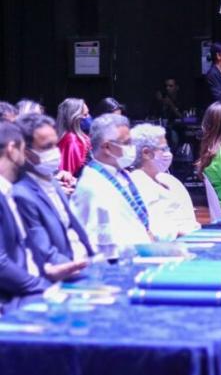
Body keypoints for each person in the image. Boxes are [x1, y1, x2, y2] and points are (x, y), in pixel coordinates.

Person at [0, 122, 83, 313]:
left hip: (33, 286)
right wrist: (41, 286)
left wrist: (47, 272)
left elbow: (22, 255)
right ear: (12, 149)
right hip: (14, 300)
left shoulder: (7, 191)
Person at [13, 114, 93, 275]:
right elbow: (45, 252)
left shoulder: (54, 180)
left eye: (55, 145)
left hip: (87, 262)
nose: (55, 152)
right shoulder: (22, 195)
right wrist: (81, 269)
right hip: (66, 274)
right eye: (46, 147)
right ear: (26, 153)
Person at [70, 114, 153, 250]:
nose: (132, 148)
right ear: (107, 147)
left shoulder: (121, 173)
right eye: (126, 143)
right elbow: (98, 241)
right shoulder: (92, 185)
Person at [130, 123, 199, 240]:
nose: (168, 153)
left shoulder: (168, 179)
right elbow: (152, 228)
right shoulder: (138, 183)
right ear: (146, 153)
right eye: (163, 149)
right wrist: (180, 233)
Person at [56, 98, 92, 176]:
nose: (88, 117)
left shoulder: (80, 137)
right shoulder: (72, 140)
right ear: (74, 117)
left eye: (88, 114)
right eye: (85, 115)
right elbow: (68, 173)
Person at [155, 78, 184, 149]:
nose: (167, 88)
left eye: (170, 86)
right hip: (162, 129)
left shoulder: (181, 100)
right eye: (166, 86)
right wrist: (159, 103)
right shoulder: (163, 99)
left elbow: (183, 117)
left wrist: (171, 105)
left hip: (177, 129)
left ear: (176, 87)